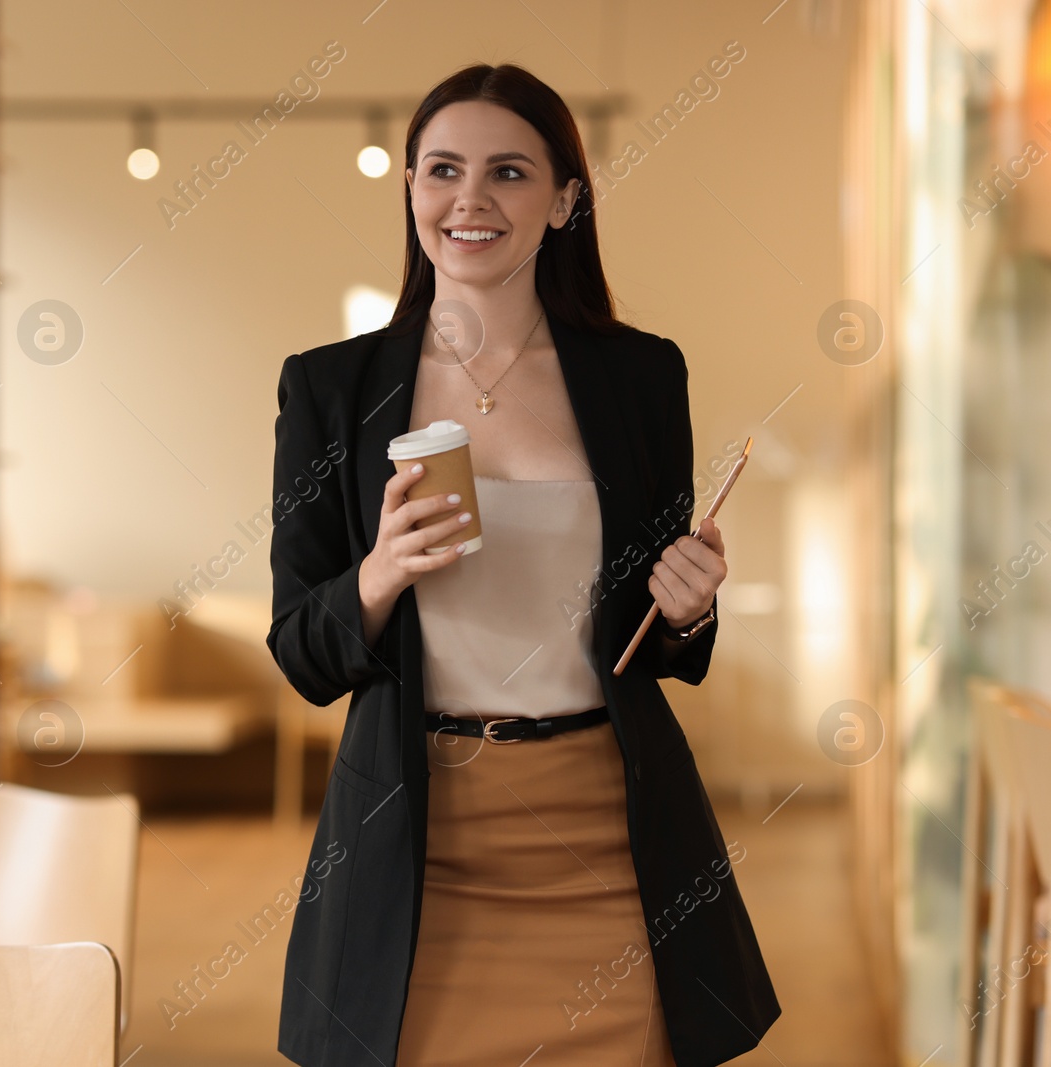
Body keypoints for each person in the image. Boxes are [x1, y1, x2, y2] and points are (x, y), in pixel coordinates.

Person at [266, 63, 780, 1067]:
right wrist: (376, 577)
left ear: (565, 199)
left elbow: (662, 639)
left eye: (508, 171)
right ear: (409, 187)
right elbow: (300, 650)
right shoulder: (332, 387)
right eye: (442, 170)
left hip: (604, 838)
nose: (470, 198)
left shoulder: (640, 376)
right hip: (416, 836)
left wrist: (684, 605)